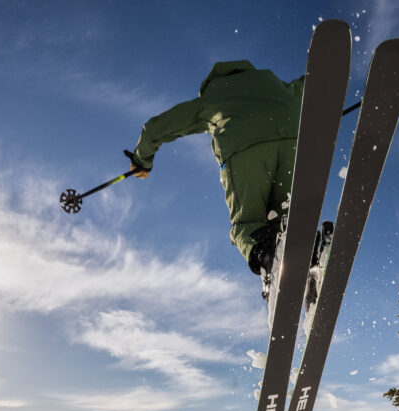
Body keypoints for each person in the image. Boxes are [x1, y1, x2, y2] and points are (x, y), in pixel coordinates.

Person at [127, 60, 308, 304]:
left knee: (247, 224)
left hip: (244, 147)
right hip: (294, 137)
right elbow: (308, 85)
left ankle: (269, 257)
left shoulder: (212, 98)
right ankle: (310, 250)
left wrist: (142, 159)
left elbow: (157, 127)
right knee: (285, 217)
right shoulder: (273, 82)